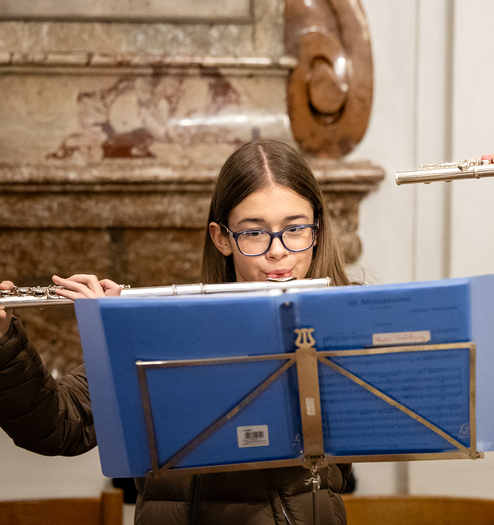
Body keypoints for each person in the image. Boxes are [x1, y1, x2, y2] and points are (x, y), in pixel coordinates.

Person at [0, 139, 354, 525]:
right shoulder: (169, 323)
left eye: (295, 228)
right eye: (254, 233)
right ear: (222, 238)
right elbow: (56, 427)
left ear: (317, 230)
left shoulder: (342, 323)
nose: (278, 250)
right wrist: (105, 338)